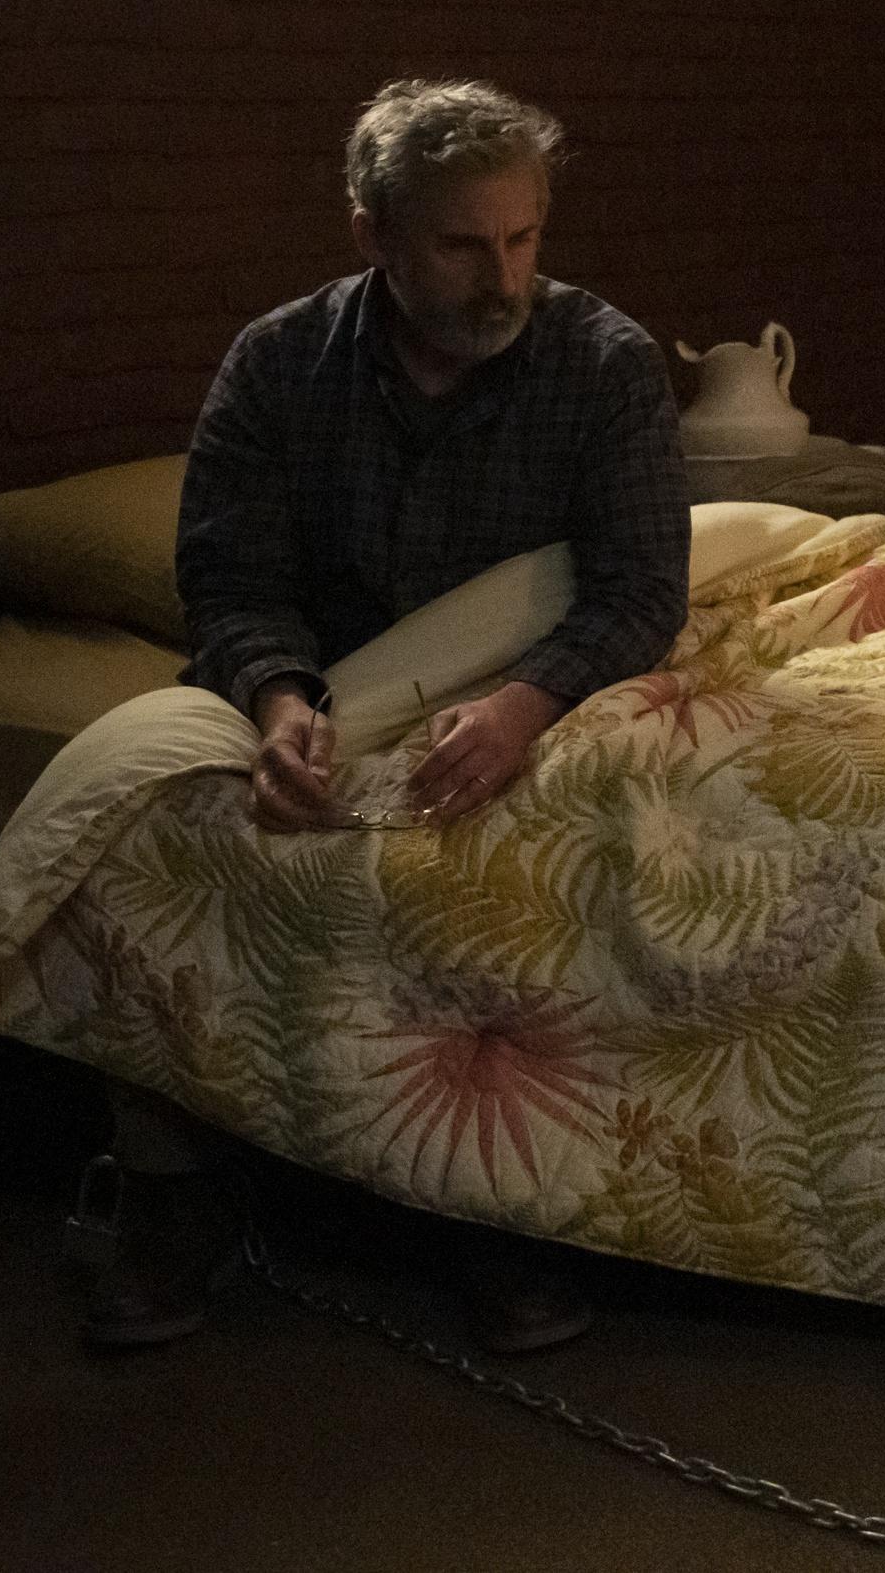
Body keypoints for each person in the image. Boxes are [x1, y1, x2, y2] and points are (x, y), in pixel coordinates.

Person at [82, 77, 691, 1349]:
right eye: (464, 245)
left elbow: (640, 589)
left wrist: (527, 707)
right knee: (153, 827)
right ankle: (169, 1176)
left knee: (511, 849)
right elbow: (231, 577)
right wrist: (277, 699)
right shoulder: (277, 364)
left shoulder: (603, 362)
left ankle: (480, 1205)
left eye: (524, 238)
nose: (504, 277)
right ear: (373, 233)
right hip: (328, 680)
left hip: (520, 674)